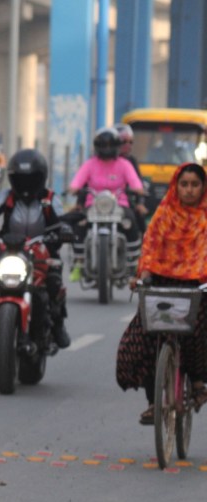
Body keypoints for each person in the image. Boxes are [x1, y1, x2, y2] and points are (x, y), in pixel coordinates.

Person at [116, 163, 207, 424]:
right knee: (143, 340)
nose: (189, 190)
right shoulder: (164, 214)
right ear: (176, 186)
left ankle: (198, 383)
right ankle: (154, 403)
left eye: (195, 185)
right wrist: (142, 276)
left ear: (203, 188)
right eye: (184, 184)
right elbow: (150, 249)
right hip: (161, 285)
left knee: (197, 333)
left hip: (197, 288)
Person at [0, 148, 73, 349]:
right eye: (21, 179)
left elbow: (62, 220)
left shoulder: (50, 198)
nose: (26, 185)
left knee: (53, 282)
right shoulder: (7, 197)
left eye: (31, 179)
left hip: (42, 250)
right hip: (8, 248)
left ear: (41, 178)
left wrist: (66, 229)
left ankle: (58, 325)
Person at [67, 127, 148, 264]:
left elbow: (136, 183)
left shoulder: (125, 164)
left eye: (111, 146)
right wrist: (74, 189)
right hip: (93, 205)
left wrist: (138, 190)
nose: (107, 149)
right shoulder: (90, 164)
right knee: (80, 225)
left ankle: (133, 259)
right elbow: (76, 182)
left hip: (119, 204)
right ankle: (79, 261)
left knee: (130, 221)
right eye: (103, 146)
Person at [115, 123, 150, 223]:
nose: (127, 145)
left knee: (138, 219)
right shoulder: (99, 161)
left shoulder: (131, 161)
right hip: (101, 202)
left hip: (124, 201)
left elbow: (138, 184)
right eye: (123, 141)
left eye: (131, 142)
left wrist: (140, 202)